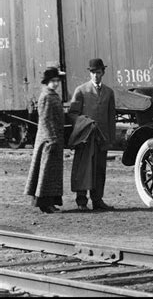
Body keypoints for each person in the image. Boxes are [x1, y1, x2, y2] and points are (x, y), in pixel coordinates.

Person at [68, 58, 116, 211]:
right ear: (89, 73)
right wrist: (86, 124)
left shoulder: (109, 92)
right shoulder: (81, 91)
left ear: (103, 73)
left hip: (102, 138)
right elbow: (73, 114)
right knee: (83, 169)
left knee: (100, 169)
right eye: (93, 72)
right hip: (86, 138)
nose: (96, 75)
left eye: (99, 72)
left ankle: (98, 200)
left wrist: (110, 138)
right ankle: (81, 201)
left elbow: (111, 117)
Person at [24, 67, 65, 213]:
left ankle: (50, 202)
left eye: (57, 81)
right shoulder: (46, 97)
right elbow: (46, 120)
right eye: (53, 81)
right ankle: (44, 203)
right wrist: (52, 139)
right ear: (47, 82)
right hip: (49, 141)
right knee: (46, 173)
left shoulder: (51, 95)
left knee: (51, 173)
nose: (55, 83)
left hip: (53, 139)